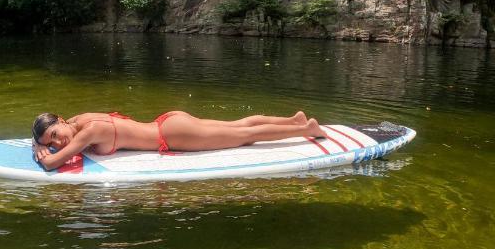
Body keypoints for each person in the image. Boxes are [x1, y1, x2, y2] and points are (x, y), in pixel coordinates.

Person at [31, 109, 325, 171]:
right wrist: (41, 142)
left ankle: (305, 130)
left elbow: (52, 164)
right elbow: (64, 149)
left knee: (243, 136)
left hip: (173, 135)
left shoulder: (88, 131)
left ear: (60, 120)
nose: (57, 142)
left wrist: (39, 150)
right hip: (168, 122)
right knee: (236, 125)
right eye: (51, 141)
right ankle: (293, 120)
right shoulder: (81, 118)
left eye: (55, 134)